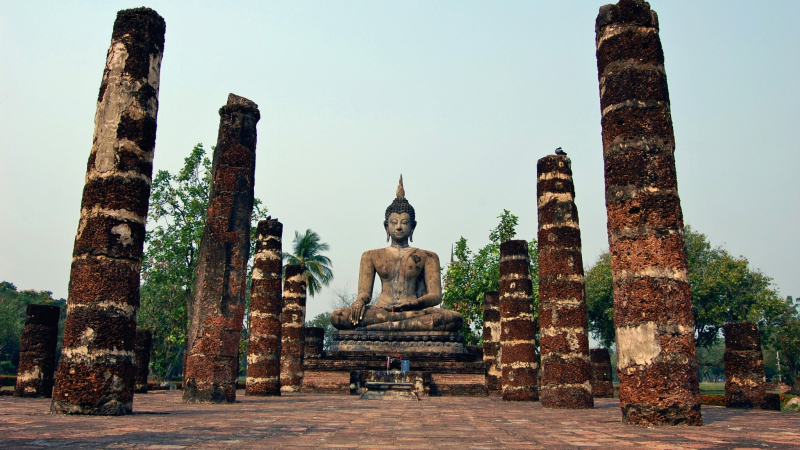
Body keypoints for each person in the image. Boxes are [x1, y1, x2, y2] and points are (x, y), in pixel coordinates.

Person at [331, 176, 463, 332]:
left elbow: (436, 296)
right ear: (386, 226)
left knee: (454, 319)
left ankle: (381, 328)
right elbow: (365, 293)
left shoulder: (428, 257)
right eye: (394, 223)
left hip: (414, 311)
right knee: (338, 316)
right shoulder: (371, 256)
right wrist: (359, 301)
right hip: (381, 311)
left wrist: (414, 304)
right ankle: (394, 326)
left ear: (413, 227)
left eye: (404, 222)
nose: (399, 227)